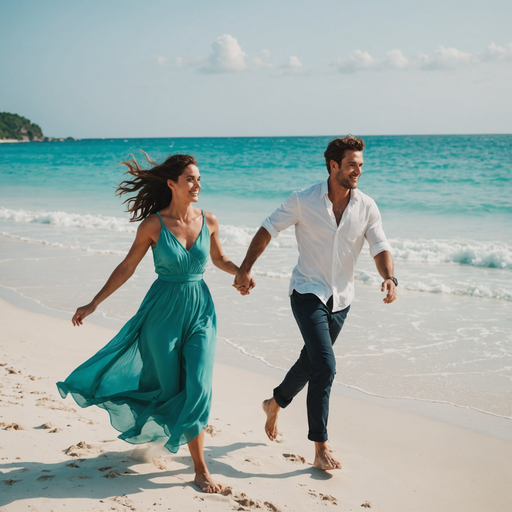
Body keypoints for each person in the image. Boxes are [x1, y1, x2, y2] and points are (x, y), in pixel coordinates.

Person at [57, 153, 252, 493]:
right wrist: (94, 303)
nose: (197, 184)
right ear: (172, 183)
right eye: (190, 179)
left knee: (199, 386)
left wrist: (240, 273)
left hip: (200, 310)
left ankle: (200, 469)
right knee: (172, 388)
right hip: (162, 313)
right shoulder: (152, 225)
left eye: (199, 178)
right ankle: (159, 437)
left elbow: (219, 258)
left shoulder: (209, 219)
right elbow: (127, 267)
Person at [234, 136, 397, 471]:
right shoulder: (303, 200)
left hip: (342, 299)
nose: (358, 171)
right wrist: (246, 267)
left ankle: (274, 402)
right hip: (307, 293)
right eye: (352, 165)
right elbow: (268, 229)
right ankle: (320, 445)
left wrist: (390, 277)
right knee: (326, 365)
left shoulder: (367, 206)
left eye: (361, 165)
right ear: (333, 165)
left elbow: (379, 246)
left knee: (311, 362)